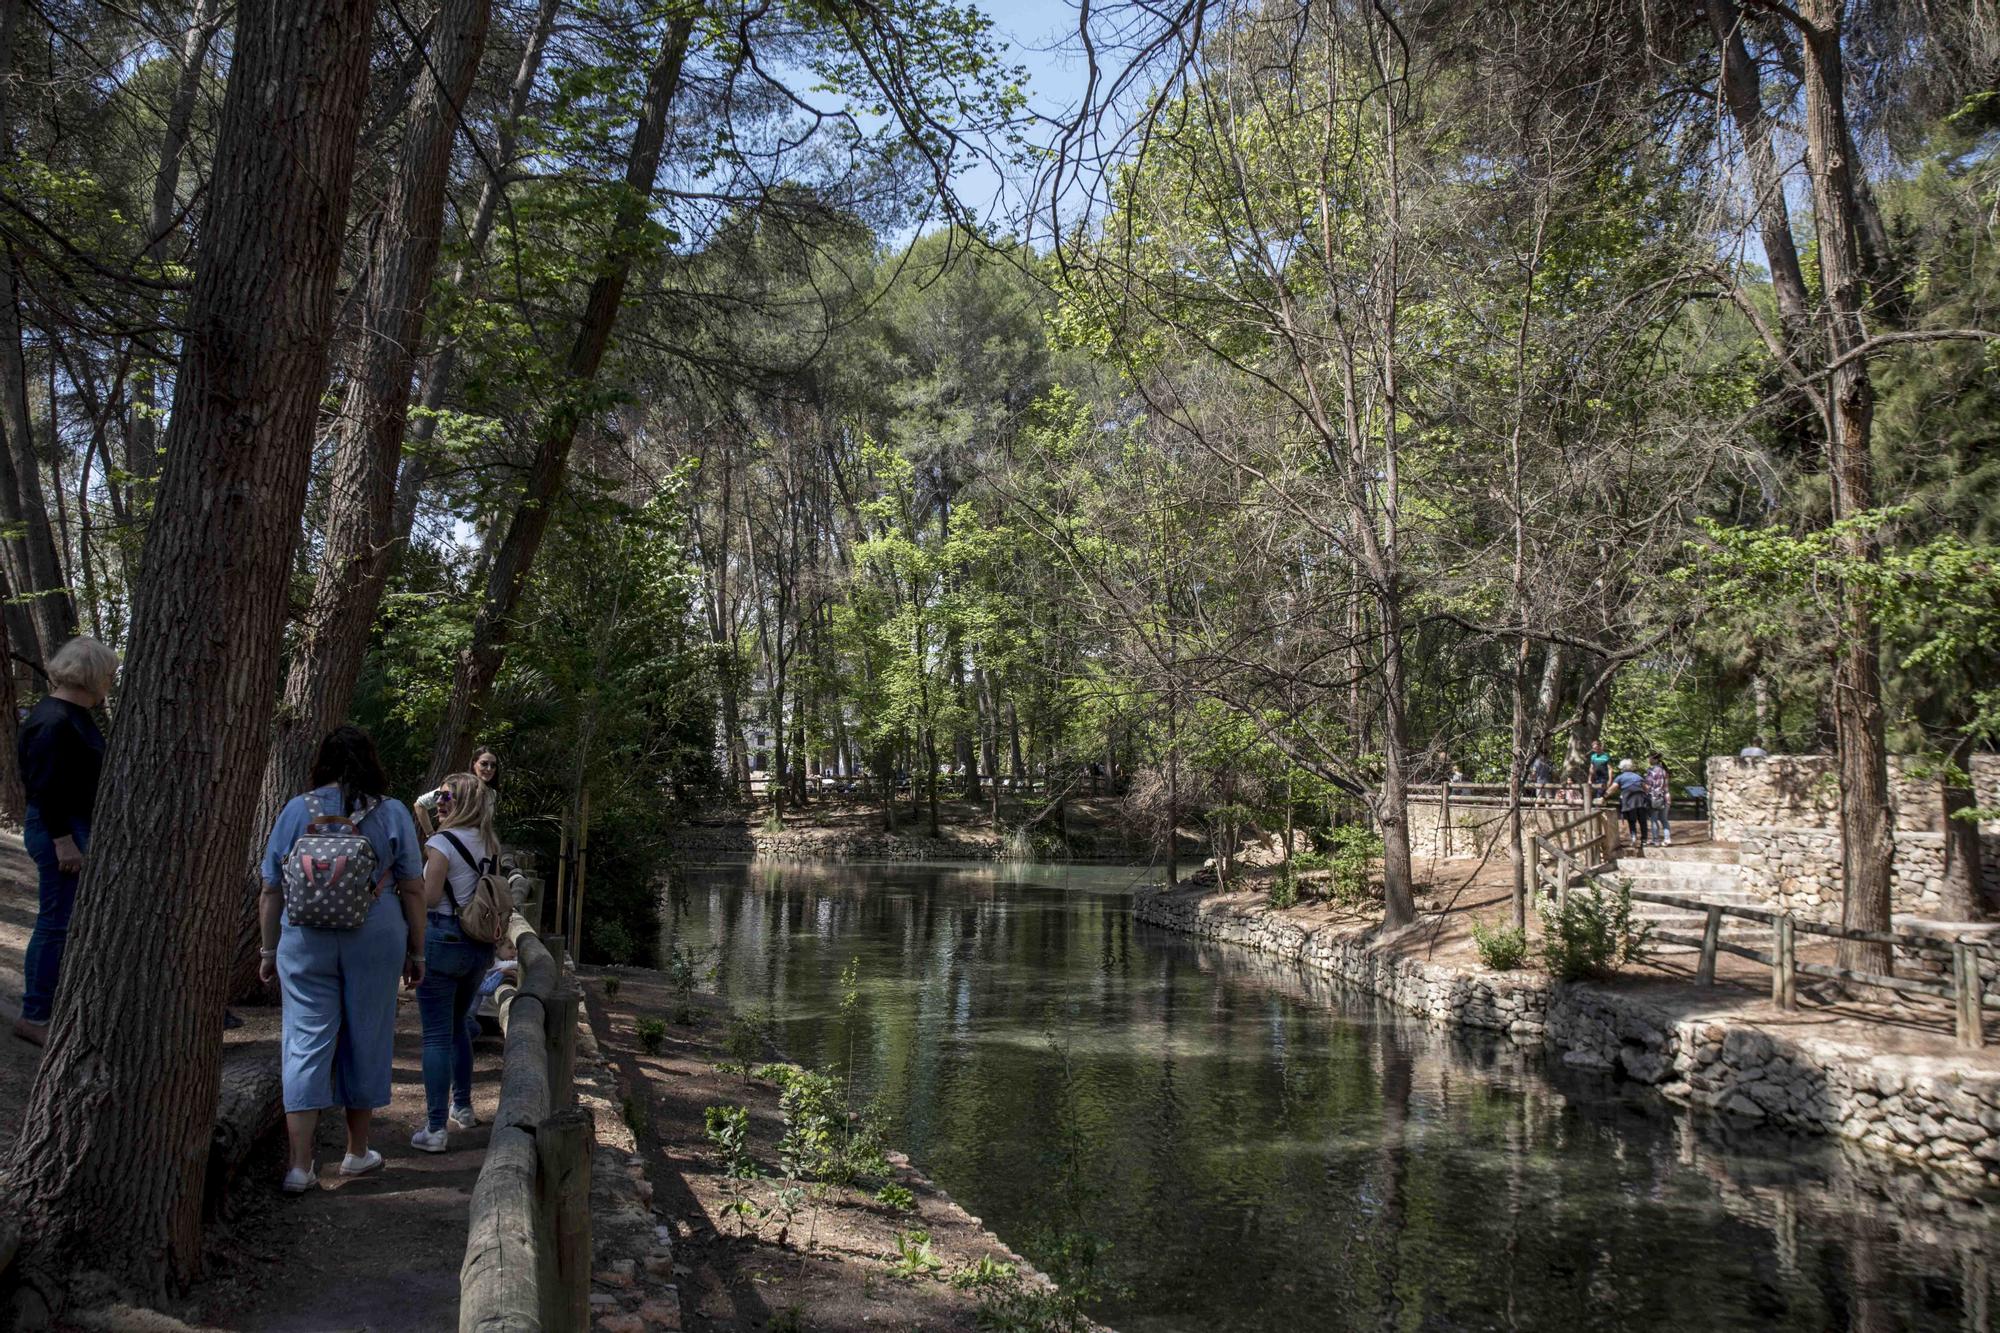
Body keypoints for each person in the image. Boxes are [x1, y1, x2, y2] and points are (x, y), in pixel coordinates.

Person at [258, 727, 426, 1194]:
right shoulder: (392, 812)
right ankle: (356, 1153)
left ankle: (299, 1165)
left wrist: (269, 950)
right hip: (376, 934)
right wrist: (418, 950)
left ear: (323, 763)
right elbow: (412, 886)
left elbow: (271, 886)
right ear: (371, 762)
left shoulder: (296, 809)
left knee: (305, 1041)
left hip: (304, 938)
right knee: (367, 1035)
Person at [14, 636, 118, 1045]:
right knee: (55, 923)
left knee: (65, 922)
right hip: (59, 829)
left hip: (72, 826)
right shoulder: (54, 720)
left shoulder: (72, 715)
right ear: (91, 674)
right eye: (107, 674)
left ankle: (51, 1005)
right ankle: (35, 1014)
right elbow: (46, 787)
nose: (110, 681)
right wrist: (63, 842)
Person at [411, 771, 501, 1152]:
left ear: (461, 802)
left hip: (443, 937)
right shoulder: (489, 842)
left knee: (435, 1035)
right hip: (477, 945)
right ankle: (462, 1106)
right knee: (458, 1026)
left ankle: (434, 1128)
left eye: (447, 797)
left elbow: (429, 898)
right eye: (439, 798)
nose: (440, 803)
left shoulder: (441, 842)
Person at [415, 746, 501, 836]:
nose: (489, 769)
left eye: (493, 765)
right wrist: (430, 834)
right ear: (474, 764)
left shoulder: (491, 793)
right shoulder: (457, 787)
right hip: (452, 844)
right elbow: (420, 804)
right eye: (484, 764)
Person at [1606, 758, 1648, 850]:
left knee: (1632, 820)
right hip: (1641, 799)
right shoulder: (1638, 776)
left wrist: (1604, 796)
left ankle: (1633, 837)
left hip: (1629, 800)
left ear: (1622, 768)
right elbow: (1646, 788)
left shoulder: (1620, 777)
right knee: (1642, 820)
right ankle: (1644, 840)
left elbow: (1613, 788)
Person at [1644, 753, 1672, 847]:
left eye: (1650, 759)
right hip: (1665, 797)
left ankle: (1655, 839)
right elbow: (1666, 786)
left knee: (1654, 820)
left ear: (1655, 760)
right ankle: (1667, 839)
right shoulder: (1665, 771)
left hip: (1654, 798)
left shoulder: (1651, 771)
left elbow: (1648, 786)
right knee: (1664, 819)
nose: (1649, 760)